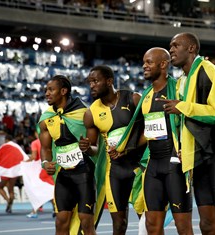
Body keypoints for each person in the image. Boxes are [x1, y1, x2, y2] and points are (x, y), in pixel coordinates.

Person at [161, 32, 215, 234]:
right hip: (198, 154)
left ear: (191, 48)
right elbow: (184, 122)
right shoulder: (183, 81)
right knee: (207, 224)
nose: (171, 50)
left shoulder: (208, 70)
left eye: (176, 45)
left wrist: (184, 106)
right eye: (170, 45)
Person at [79, 65, 145, 235]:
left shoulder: (133, 99)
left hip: (140, 169)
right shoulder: (91, 113)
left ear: (109, 81)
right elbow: (94, 148)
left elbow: (149, 131)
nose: (91, 85)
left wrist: (128, 148)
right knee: (119, 224)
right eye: (89, 82)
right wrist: (87, 148)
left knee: (147, 222)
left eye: (95, 81)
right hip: (115, 172)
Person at [139, 47, 193, 234]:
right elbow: (143, 132)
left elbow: (192, 117)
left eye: (149, 62)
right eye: (144, 62)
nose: (144, 66)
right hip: (153, 167)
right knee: (152, 226)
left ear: (163, 64)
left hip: (175, 165)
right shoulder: (145, 97)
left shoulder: (178, 89)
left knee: (183, 226)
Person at [38, 75, 96, 235]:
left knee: (86, 223)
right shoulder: (46, 118)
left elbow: (97, 147)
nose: (47, 93)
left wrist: (89, 147)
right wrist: (45, 163)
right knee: (61, 222)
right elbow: (46, 148)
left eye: (51, 90)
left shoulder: (85, 113)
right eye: (46, 90)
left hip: (84, 173)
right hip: (64, 175)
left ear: (63, 91)